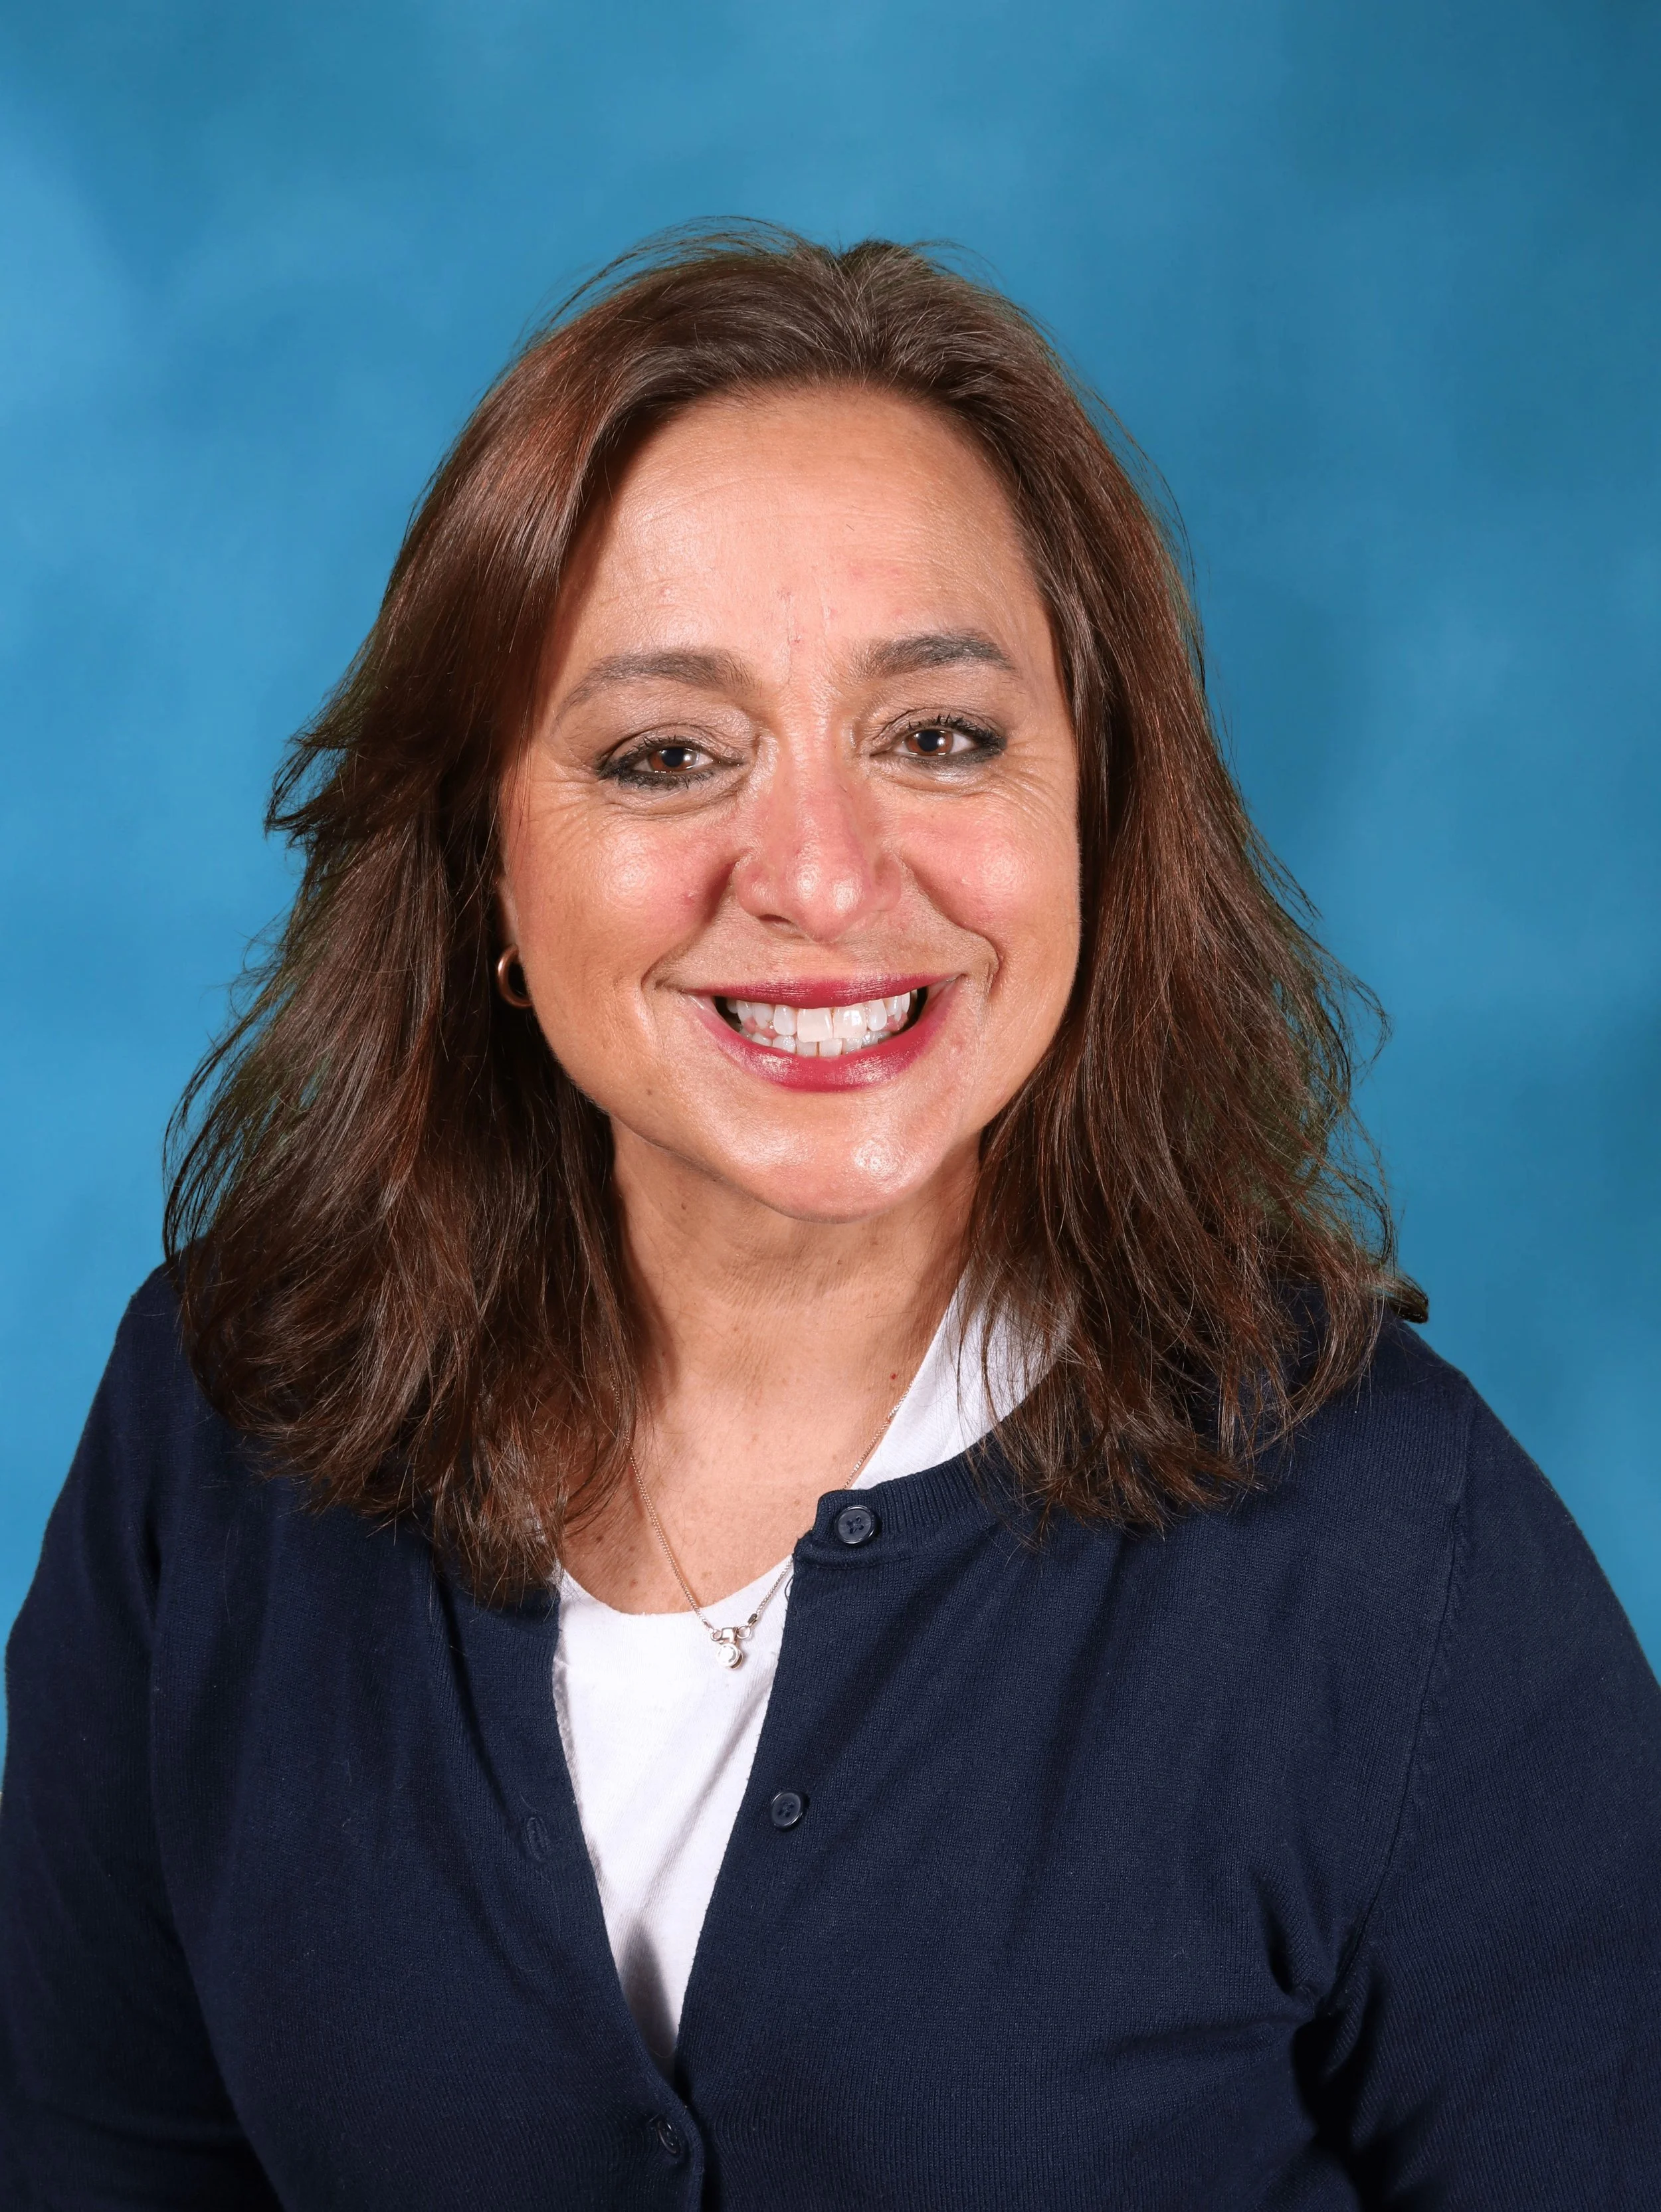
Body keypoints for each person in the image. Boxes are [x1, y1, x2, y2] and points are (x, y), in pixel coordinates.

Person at [3, 228, 1658, 2211]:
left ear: (1094, 819)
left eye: (937, 735)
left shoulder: (1395, 1543)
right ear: (481, 880)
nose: (813, 874)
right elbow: (97, 2156)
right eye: (665, 756)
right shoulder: (219, 1420)